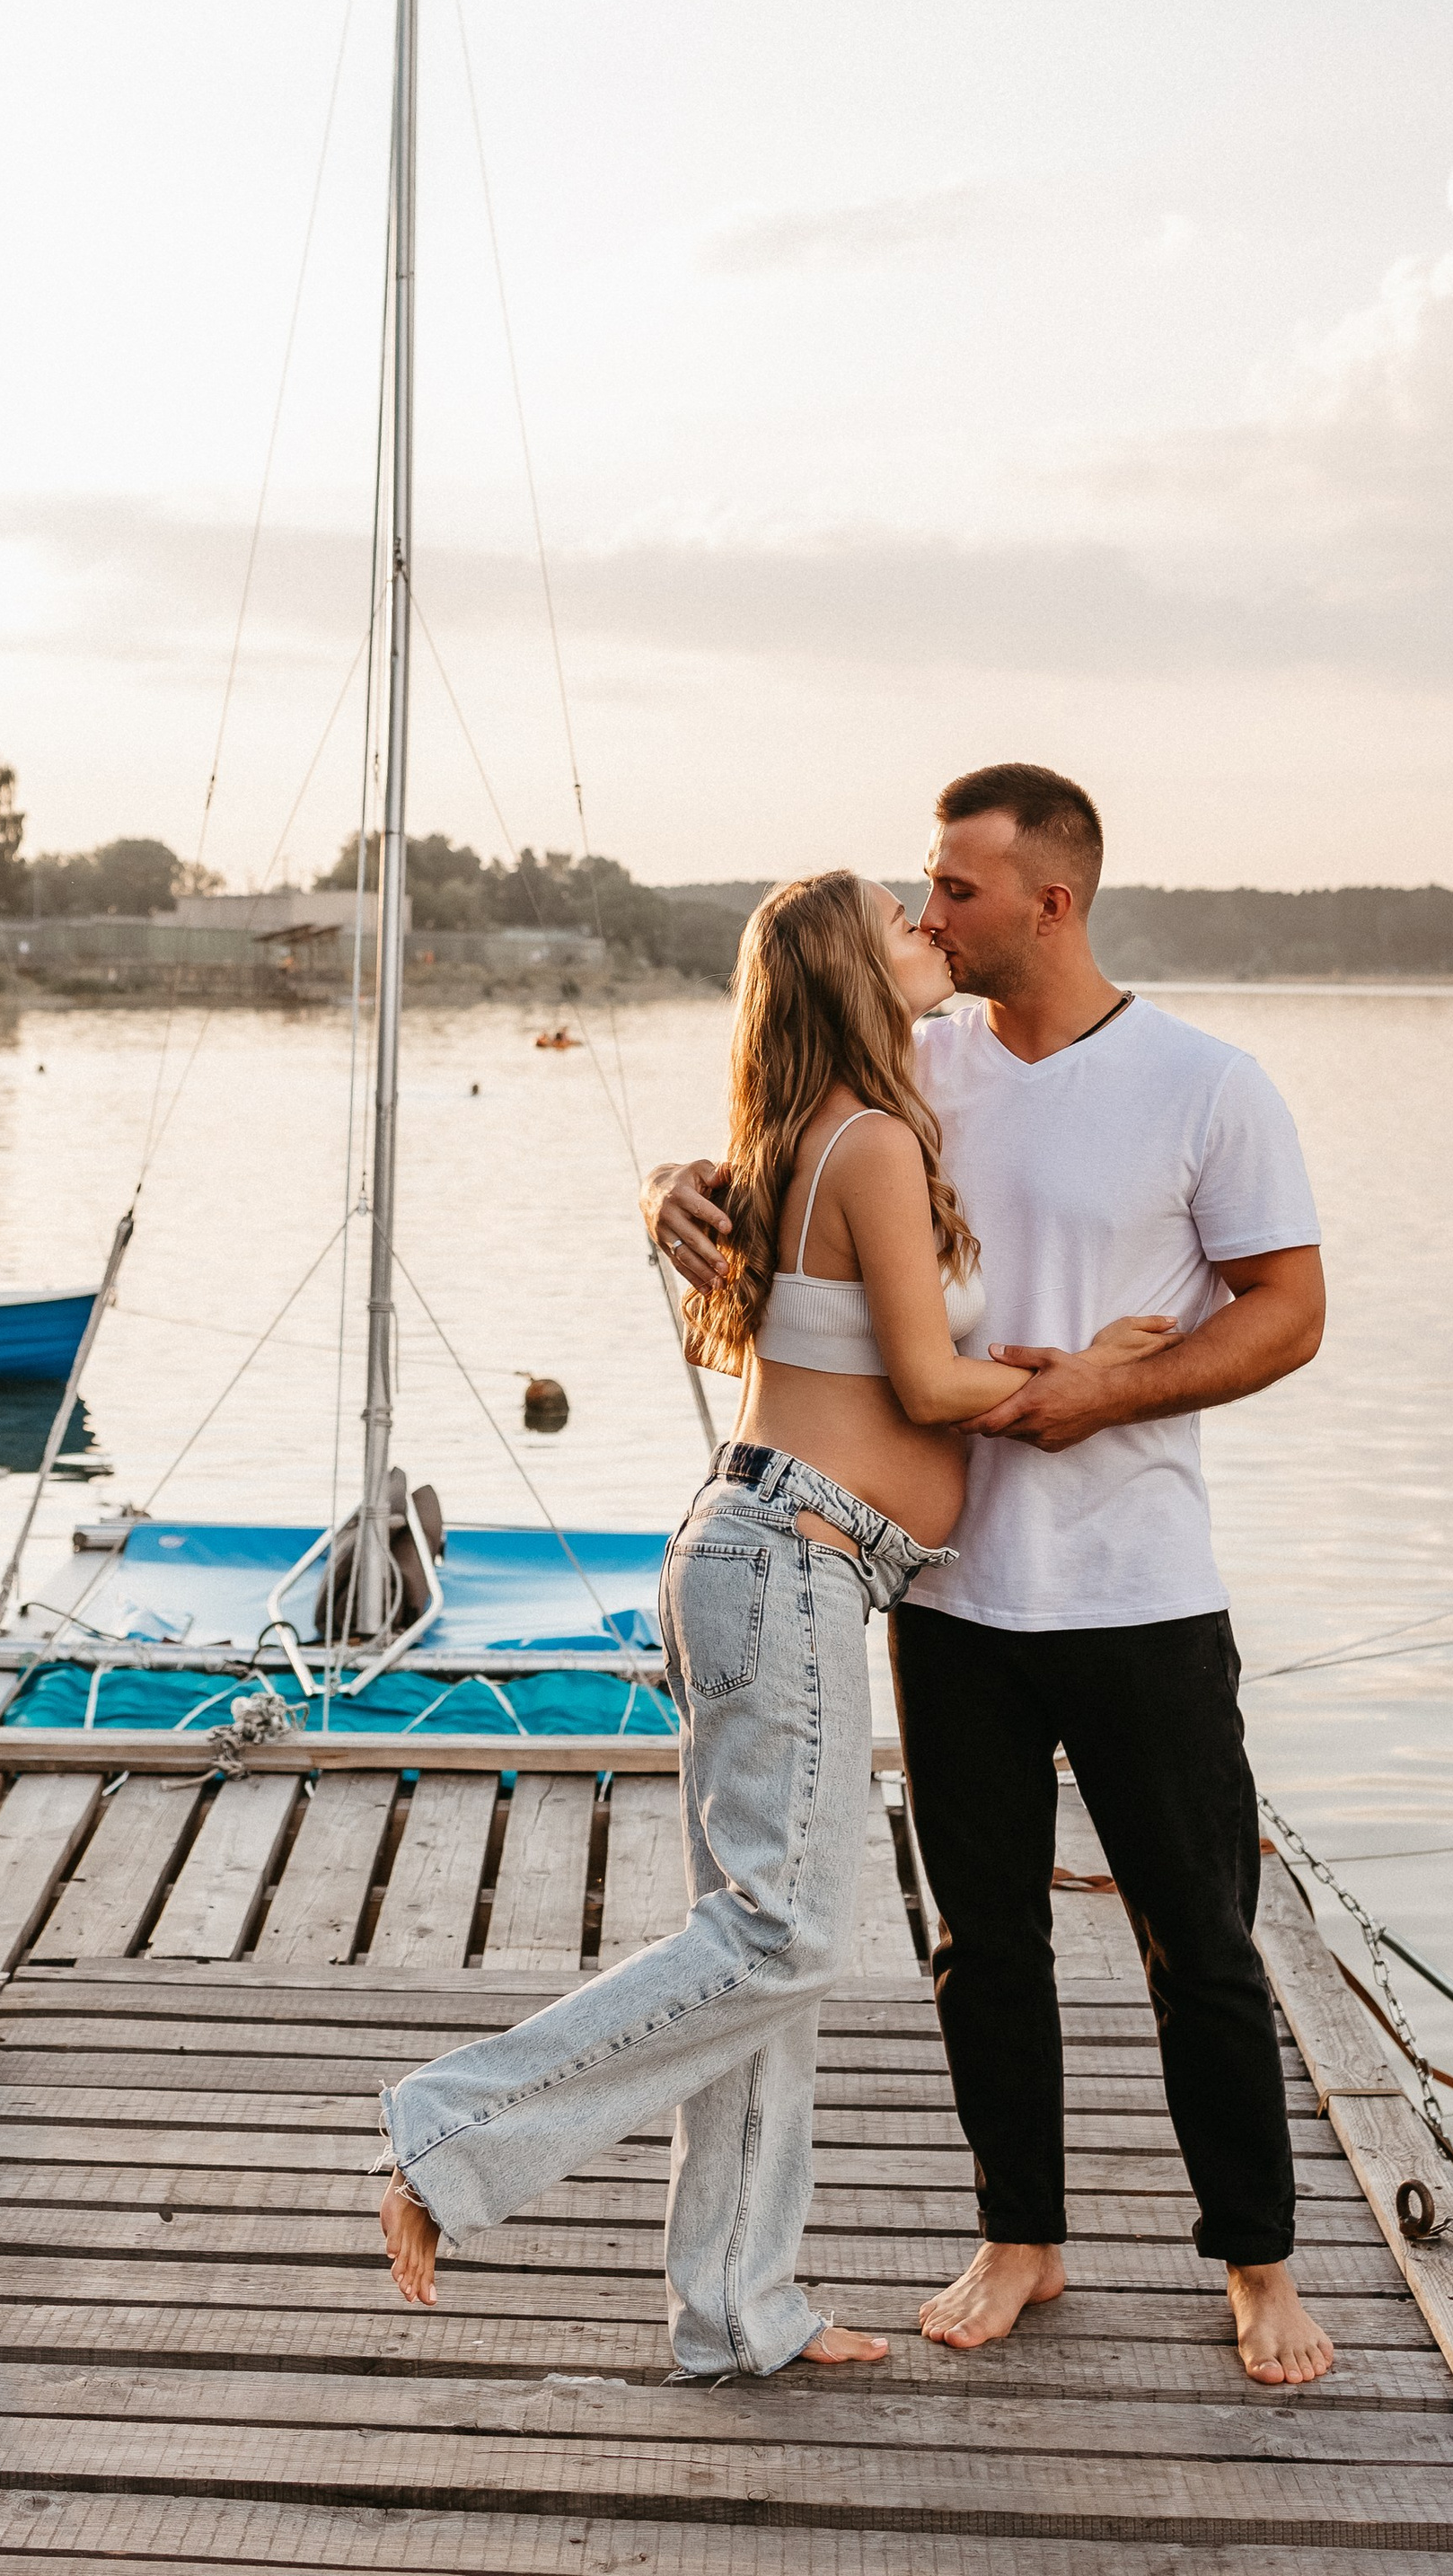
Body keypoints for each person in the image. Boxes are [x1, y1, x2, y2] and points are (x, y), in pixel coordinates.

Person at [378, 870, 1172, 2377]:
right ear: (851, 976)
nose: (927, 928)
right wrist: (1098, 1374)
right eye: (898, 922)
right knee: (782, 1940)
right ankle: (451, 2132)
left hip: (772, 1553)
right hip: (789, 1557)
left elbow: (872, 1354)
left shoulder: (817, 1131)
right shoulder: (869, 1139)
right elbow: (930, 1389)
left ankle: (736, 2312)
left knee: (762, 1951)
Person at [646, 764, 1334, 2388]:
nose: (931, 911)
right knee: (982, 1939)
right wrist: (669, 1184)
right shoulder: (913, 1065)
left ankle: (1258, 2263)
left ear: (1052, 899)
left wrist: (1109, 1392)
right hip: (946, 1591)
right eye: (926, 889)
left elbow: (1289, 1312)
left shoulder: (1206, 1086)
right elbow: (775, 1156)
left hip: (1141, 1589)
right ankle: (1022, 2237)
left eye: (957, 888)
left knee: (1201, 1941)